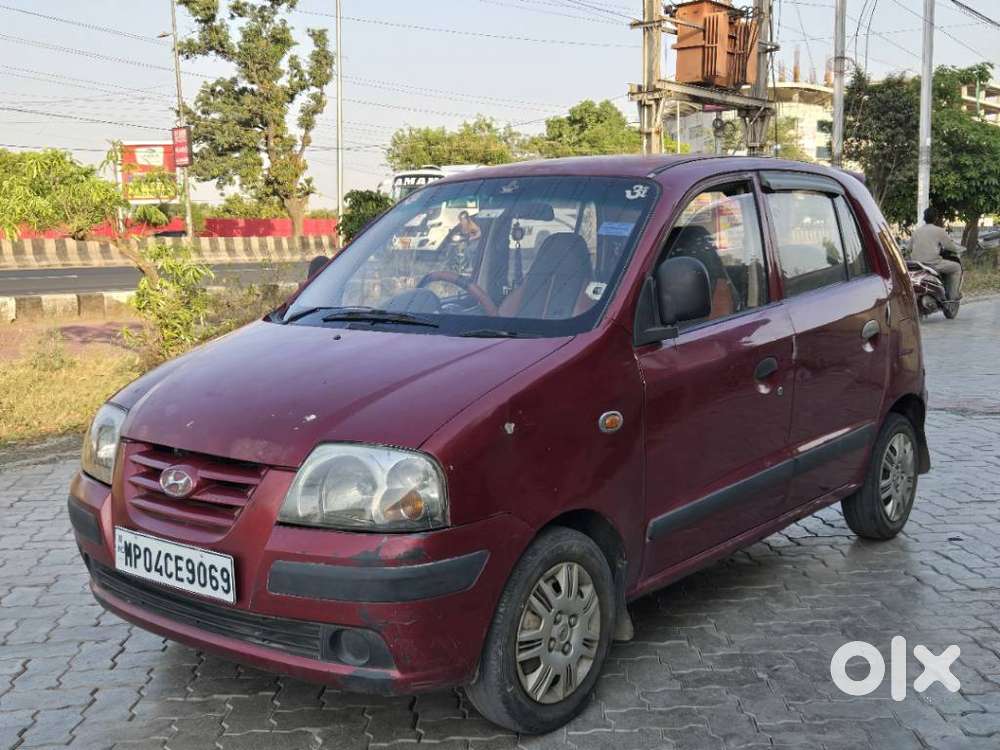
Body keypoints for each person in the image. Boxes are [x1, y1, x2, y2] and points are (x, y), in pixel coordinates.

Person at [909, 207, 963, 300]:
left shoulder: (916, 232)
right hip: (933, 263)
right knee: (957, 267)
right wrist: (961, 249)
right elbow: (950, 246)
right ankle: (953, 295)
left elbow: (909, 248)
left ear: (924, 218)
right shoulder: (940, 231)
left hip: (916, 264)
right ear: (936, 218)